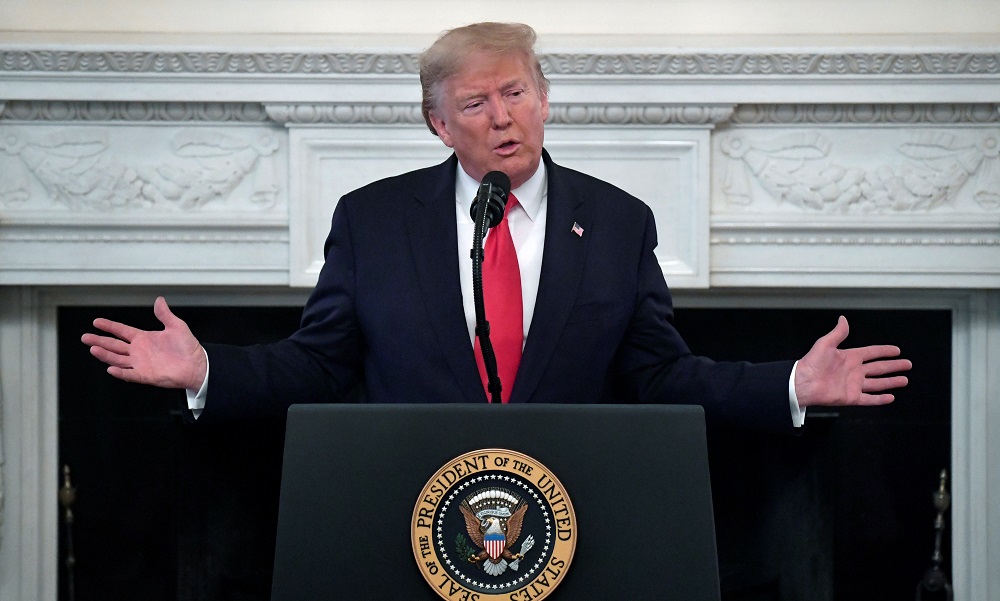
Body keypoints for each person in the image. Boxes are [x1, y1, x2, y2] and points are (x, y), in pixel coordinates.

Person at [81, 22, 910, 429]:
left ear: (545, 100)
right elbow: (319, 363)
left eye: (516, 93)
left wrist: (788, 383)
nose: (502, 117)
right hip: (411, 513)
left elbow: (661, 376)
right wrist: (208, 370)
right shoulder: (373, 221)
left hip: (573, 516)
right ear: (439, 124)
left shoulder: (618, 223)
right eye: (476, 102)